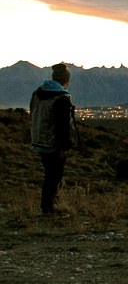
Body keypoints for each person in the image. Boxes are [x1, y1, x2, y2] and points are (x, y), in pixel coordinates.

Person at [30, 63, 76, 216]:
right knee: (54, 176)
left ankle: (50, 204)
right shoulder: (61, 98)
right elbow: (62, 126)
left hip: (39, 140)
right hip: (53, 144)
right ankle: (48, 208)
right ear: (65, 80)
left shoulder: (37, 93)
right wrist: (64, 147)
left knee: (49, 173)